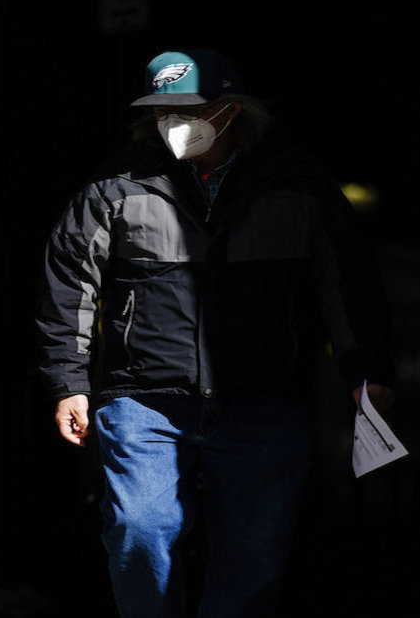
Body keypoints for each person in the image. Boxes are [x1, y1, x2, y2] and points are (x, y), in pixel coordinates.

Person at [36, 49, 397, 616]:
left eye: (189, 109)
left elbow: (346, 285)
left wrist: (366, 373)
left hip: (263, 399)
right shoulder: (114, 185)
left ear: (233, 110)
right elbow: (68, 284)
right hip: (143, 399)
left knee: (254, 560)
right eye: (162, 111)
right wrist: (67, 382)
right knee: (137, 529)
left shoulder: (298, 188)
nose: (174, 123)